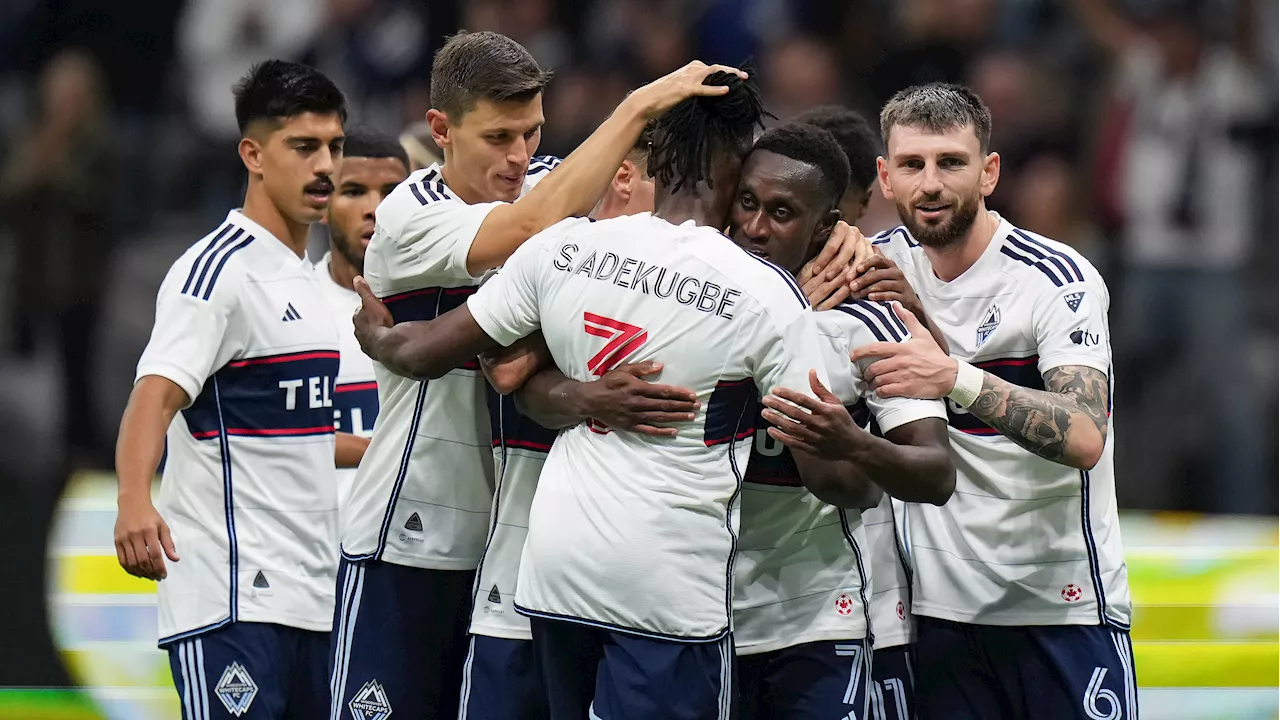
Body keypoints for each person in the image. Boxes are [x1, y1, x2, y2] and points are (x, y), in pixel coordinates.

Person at [351, 70, 825, 720]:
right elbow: (828, 468)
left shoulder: (564, 247)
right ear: (737, 164)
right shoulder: (763, 290)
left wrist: (378, 337)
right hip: (668, 583)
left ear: (649, 156)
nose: (518, 154)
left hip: (552, 570)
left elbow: (431, 352)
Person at [845, 83, 1135, 720]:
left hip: (1061, 608)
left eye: (951, 162)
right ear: (884, 178)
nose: (930, 184)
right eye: (912, 165)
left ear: (989, 171)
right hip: (936, 618)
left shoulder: (1056, 279)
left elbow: (1086, 436)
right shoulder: (866, 270)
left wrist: (952, 376)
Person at [113, 60, 369, 720]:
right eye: (304, 146)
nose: (325, 167)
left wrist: (388, 449)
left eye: (334, 147)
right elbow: (153, 397)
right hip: (232, 597)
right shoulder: (214, 273)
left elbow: (295, 431)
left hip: (316, 596)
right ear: (253, 154)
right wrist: (135, 500)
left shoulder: (312, 286)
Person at [723, 121, 951, 720]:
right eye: (747, 202)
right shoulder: (689, 306)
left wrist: (854, 444)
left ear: (832, 225)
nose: (755, 227)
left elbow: (934, 474)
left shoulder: (871, 322)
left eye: (781, 212)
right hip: (699, 616)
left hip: (819, 620)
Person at [459, 127, 665, 720]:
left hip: (633, 583)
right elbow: (506, 367)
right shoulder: (548, 235)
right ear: (624, 176)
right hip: (517, 565)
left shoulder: (689, 270)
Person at [314, 127, 410, 511]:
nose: (376, 208)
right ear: (322, 205)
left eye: (391, 192)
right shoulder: (292, 308)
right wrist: (393, 454)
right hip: (317, 556)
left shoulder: (454, 309)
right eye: (354, 191)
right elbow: (273, 440)